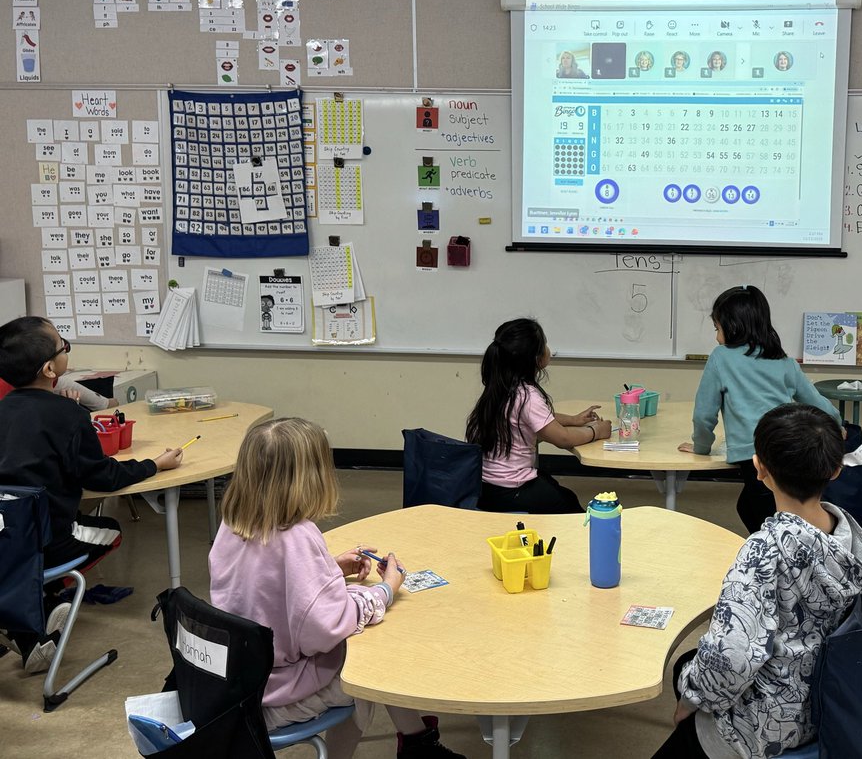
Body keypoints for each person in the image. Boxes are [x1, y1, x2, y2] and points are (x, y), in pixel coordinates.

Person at [208, 417, 466, 759]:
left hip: (237, 681)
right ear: (313, 475)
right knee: (371, 666)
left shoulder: (234, 523)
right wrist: (385, 590)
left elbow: (268, 589)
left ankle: (418, 739)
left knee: (362, 653)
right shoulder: (297, 537)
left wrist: (328, 569)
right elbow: (325, 629)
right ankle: (416, 744)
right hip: (274, 696)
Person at [654, 403, 862, 759]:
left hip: (760, 727)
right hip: (828, 709)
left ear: (759, 468)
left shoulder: (763, 552)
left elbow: (732, 656)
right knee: (689, 661)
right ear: (837, 470)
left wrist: (690, 701)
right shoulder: (851, 542)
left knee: (690, 677)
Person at [0, 316, 181, 672]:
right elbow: (103, 477)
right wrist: (154, 465)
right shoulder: (67, 412)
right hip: (46, 540)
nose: (67, 348)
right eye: (63, 345)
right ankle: (45, 602)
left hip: (5, 533)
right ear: (51, 368)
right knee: (110, 531)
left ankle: (36, 608)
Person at [680, 286, 840, 533]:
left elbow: (704, 414)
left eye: (717, 328)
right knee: (777, 507)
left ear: (733, 326)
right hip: (791, 447)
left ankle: (782, 557)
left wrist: (701, 448)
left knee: (759, 510)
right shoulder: (783, 361)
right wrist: (837, 428)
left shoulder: (721, 357)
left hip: (755, 453)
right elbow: (820, 405)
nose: (716, 337)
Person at [465, 318, 611, 514]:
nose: (548, 349)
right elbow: (563, 438)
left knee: (561, 493)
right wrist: (596, 431)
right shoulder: (527, 396)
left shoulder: (500, 386)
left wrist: (574, 420)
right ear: (535, 358)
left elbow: (539, 418)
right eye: (544, 344)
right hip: (512, 489)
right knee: (571, 509)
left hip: (485, 486)